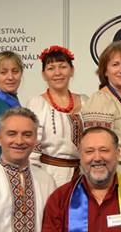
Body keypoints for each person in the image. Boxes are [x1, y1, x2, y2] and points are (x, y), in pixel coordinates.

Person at [25, 46, 87, 188]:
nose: (57, 73)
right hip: (49, 176)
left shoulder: (85, 101)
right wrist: (35, 182)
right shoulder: (37, 104)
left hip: (82, 175)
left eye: (63, 67)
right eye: (51, 68)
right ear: (44, 74)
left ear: (72, 70)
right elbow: (32, 149)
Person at [81, 41, 121, 182]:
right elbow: (96, 147)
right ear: (105, 71)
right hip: (114, 177)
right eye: (115, 65)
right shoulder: (100, 99)